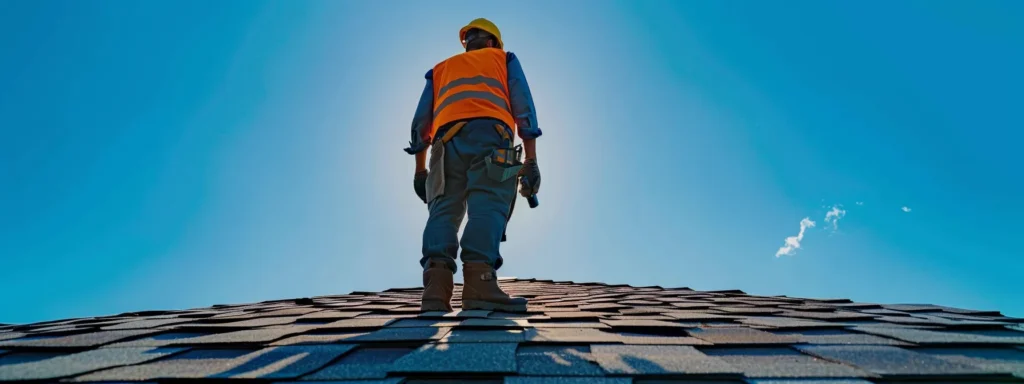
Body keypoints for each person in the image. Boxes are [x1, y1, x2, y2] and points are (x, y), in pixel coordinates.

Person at [403, 18, 542, 312]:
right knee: (489, 203)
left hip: (445, 144)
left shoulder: (440, 70)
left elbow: (420, 124)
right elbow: (524, 108)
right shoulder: (504, 59)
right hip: (491, 137)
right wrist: (531, 161)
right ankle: (479, 283)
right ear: (493, 42)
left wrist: (420, 170)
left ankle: (435, 291)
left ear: (467, 43)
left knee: (443, 210)